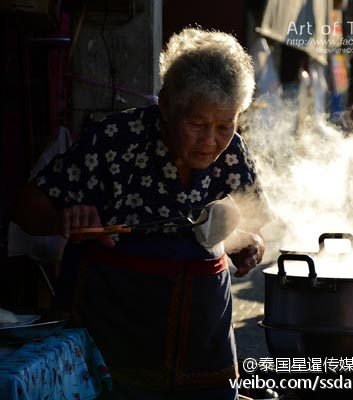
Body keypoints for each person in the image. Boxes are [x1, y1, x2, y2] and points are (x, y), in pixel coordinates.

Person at [11, 27, 272, 400]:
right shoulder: (115, 139)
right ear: (166, 105)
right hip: (112, 327)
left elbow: (253, 227)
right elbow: (26, 209)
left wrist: (249, 246)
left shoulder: (233, 154)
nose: (211, 140)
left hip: (201, 339)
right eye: (196, 124)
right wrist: (63, 220)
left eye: (224, 126)